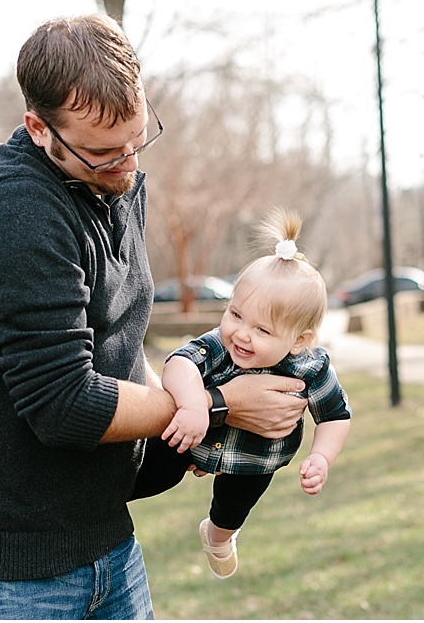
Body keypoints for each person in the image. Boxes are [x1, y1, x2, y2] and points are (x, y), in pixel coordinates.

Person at [0, 14, 308, 620]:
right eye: (102, 153)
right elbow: (62, 401)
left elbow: (116, 340)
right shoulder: (16, 215)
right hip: (3, 565)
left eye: (138, 140)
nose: (127, 164)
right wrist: (221, 405)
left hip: (103, 535)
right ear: (38, 129)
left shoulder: (111, 180)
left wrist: (186, 436)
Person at [130, 209, 351, 579]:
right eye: (235, 314)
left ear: (300, 340)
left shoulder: (313, 368)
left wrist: (322, 457)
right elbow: (179, 364)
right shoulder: (221, 343)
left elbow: (335, 416)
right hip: (190, 438)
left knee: (232, 509)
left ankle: (218, 538)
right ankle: (97, 502)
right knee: (153, 474)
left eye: (262, 330)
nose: (242, 334)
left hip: (254, 460)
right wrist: (194, 404)